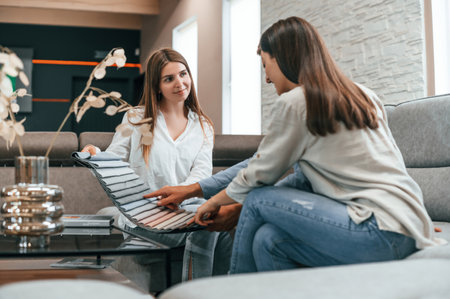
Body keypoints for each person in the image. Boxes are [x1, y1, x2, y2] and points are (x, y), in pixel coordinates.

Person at [148, 17, 446, 274]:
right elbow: (299, 176)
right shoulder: (363, 95)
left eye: (266, 65)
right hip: (402, 228)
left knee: (259, 198)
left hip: (374, 229)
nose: (266, 77)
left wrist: (213, 202)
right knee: (269, 240)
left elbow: (259, 175)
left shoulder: (298, 101)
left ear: (282, 58)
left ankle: (234, 290)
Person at [82, 48, 232, 280]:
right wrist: (95, 156)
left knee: (221, 228)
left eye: (183, 74)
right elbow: (113, 163)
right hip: (144, 216)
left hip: (186, 208)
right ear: (156, 86)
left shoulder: (203, 126)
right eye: (169, 78)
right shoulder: (135, 118)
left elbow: (201, 175)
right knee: (205, 229)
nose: (180, 83)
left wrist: (179, 197)